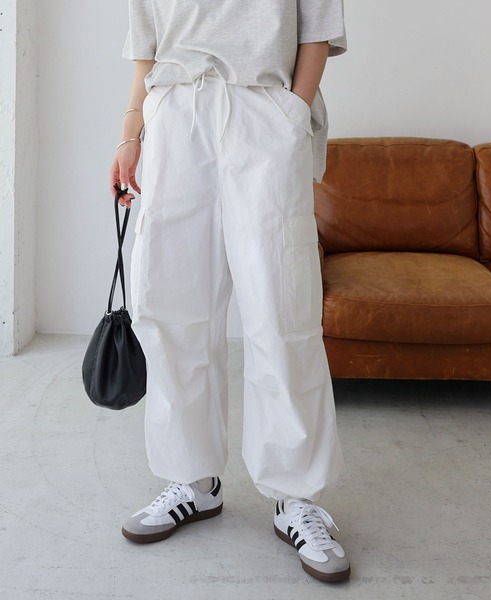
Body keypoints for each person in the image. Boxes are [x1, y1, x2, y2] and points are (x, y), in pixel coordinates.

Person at [109, 0, 350, 583]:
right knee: (170, 307)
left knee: (281, 310)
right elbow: (147, 45)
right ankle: (192, 478)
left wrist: (292, 113)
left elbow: (318, 29)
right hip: (174, 115)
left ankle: (296, 495)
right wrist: (130, 133)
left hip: (264, 108)